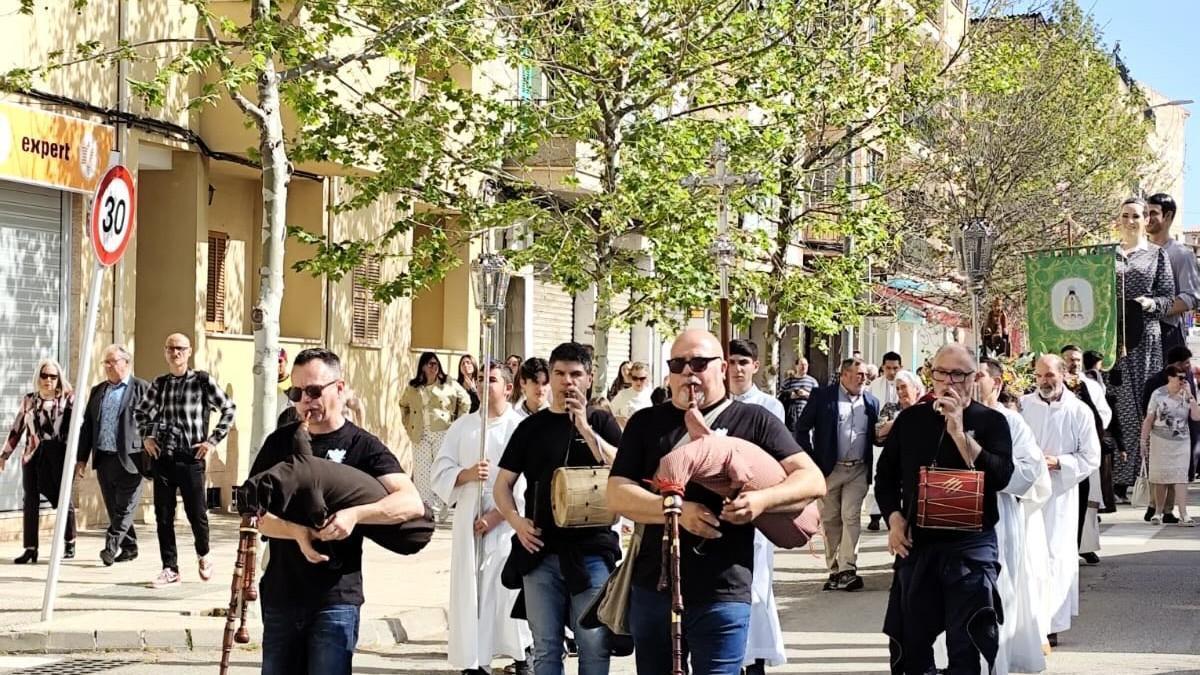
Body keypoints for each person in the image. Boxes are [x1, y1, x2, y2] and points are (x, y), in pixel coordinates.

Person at [608, 329, 825, 675]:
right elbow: (617, 492)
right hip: (654, 586)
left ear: (721, 367)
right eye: (677, 363)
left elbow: (812, 480)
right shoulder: (646, 423)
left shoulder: (754, 420)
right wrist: (676, 512)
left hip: (724, 587)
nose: (687, 372)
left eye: (698, 362)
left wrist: (762, 500)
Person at [250, 347, 425, 675]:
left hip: (336, 598)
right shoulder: (279, 442)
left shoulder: (363, 446)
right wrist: (297, 533)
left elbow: (410, 502)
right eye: (296, 392)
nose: (305, 400)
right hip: (281, 596)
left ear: (340, 388)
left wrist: (355, 515)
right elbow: (255, 516)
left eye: (314, 391)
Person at [875, 344, 1015, 674]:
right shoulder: (910, 420)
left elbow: (1001, 476)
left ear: (973, 377)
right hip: (918, 543)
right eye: (941, 373)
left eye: (959, 374)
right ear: (931, 376)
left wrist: (959, 433)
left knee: (965, 640)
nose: (949, 381)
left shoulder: (992, 422)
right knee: (912, 640)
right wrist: (894, 519)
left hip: (970, 546)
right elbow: (885, 478)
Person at [495, 342, 622, 675]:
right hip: (540, 552)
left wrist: (584, 428)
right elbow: (502, 485)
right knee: (546, 647)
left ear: (589, 378)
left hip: (593, 552)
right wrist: (516, 522)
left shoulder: (602, 422)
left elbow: (624, 471)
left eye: (576, 374)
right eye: (560, 373)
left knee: (594, 643)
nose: (568, 382)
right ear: (549, 377)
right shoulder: (530, 428)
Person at [432, 361, 532, 674]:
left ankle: (520, 654)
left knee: (504, 590)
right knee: (470, 590)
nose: (482, 384)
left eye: (491, 380)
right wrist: (466, 474)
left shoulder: (519, 428)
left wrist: (496, 516)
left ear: (508, 388)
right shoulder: (463, 426)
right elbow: (440, 470)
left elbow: (525, 483)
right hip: (467, 520)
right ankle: (473, 660)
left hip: (506, 523)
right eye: (479, 379)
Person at [133, 333, 236, 588]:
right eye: (170, 348)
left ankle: (204, 553)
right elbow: (141, 412)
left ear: (189, 352)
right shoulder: (160, 383)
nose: (175, 353)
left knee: (196, 513)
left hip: (191, 456)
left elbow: (229, 408)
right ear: (165, 352)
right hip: (164, 456)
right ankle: (170, 568)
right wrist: (147, 436)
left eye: (180, 348)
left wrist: (212, 440)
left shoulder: (201, 381)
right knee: (163, 514)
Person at [1019, 354, 1101, 647]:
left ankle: (1051, 623)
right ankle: (1026, 621)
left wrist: (1060, 462)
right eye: (1040, 376)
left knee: (1054, 556)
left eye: (1050, 375)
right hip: (1026, 494)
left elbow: (1091, 456)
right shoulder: (1024, 406)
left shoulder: (1078, 411)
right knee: (1026, 556)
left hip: (1060, 495)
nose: (1044, 381)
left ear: (1064, 374)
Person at [726, 339, 787, 675]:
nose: (737, 369)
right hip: (721, 508)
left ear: (755, 366)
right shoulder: (715, 404)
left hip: (757, 507)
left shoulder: (768, 407)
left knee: (757, 588)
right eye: (731, 362)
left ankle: (756, 660)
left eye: (743, 362)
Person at [793, 358, 879, 592]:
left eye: (865, 375)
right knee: (830, 519)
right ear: (844, 375)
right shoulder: (823, 397)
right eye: (859, 374)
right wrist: (811, 460)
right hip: (829, 468)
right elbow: (802, 428)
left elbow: (873, 435)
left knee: (851, 516)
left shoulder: (871, 401)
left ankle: (848, 568)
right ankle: (834, 569)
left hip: (858, 468)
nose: (863, 378)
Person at [1110, 197, 1175, 501]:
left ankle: (1146, 477)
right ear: (1119, 220)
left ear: (1146, 220)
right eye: (1126, 215)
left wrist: (1150, 303)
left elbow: (1167, 298)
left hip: (1146, 338)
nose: (1132, 220)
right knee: (1120, 406)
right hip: (1115, 339)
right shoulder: (1108, 256)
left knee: (1146, 407)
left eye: (1137, 215)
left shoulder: (1157, 256)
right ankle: (1121, 478)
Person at [75, 345, 150, 565]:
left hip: (132, 459)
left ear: (126, 363)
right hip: (105, 458)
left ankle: (110, 547)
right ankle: (130, 546)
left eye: (112, 362)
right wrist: (81, 459)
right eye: (105, 362)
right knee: (114, 507)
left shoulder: (142, 388)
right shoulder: (98, 391)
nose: (108, 366)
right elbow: (87, 427)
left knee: (125, 507)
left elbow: (155, 422)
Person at [1, 359, 77, 564]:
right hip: (33, 455)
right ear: (38, 377)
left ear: (59, 378)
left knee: (63, 499)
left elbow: (76, 430)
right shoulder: (29, 401)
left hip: (59, 455)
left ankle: (69, 541)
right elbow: (17, 429)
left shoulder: (68, 399)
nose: (48, 380)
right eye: (44, 376)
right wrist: (4, 455)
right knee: (30, 499)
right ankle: (30, 548)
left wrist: (78, 459)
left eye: (53, 376)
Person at [400, 351, 471, 520]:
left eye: (436, 364)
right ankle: (426, 508)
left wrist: (457, 424)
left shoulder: (448, 384)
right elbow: (403, 405)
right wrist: (409, 426)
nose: (434, 367)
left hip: (442, 432)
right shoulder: (413, 387)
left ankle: (443, 504)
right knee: (422, 471)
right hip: (420, 433)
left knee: (441, 469)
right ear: (422, 367)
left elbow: (466, 401)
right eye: (430, 364)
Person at [1061, 344, 1111, 564]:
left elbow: (1104, 413)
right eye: (1070, 359)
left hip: (1084, 452)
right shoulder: (1054, 386)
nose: (1075, 363)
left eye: (1078, 360)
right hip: (1061, 452)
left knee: (1087, 502)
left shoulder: (1090, 386)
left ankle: (1086, 545)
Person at [1141, 345, 1197, 523]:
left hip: (1181, 436)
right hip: (1159, 434)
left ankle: (1168, 510)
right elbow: (1147, 411)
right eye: (1186, 363)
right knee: (1159, 474)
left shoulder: (1188, 382)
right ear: (1178, 364)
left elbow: (1193, 413)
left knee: (1177, 475)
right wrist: (1145, 436)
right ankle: (1156, 507)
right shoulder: (1155, 383)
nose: (1189, 366)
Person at [866, 369, 924, 531]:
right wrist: (902, 420)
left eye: (904, 387)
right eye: (897, 388)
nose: (900, 392)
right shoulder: (891, 408)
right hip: (896, 469)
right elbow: (878, 434)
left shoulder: (927, 408)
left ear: (916, 388)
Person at [1145, 193, 1200, 358]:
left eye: (1153, 213)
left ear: (1168, 216)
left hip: (1168, 335)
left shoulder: (1181, 254)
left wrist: (1153, 308)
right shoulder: (1138, 252)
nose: (1147, 218)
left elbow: (1191, 297)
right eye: (1145, 213)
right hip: (1140, 335)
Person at [867, 353, 903, 530]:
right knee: (878, 472)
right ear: (882, 367)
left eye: (895, 368)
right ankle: (875, 514)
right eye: (888, 368)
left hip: (901, 437)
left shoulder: (907, 384)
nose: (892, 372)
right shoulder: (874, 386)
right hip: (880, 438)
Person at [778, 357, 817, 432]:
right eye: (801, 364)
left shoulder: (813, 382)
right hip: (791, 419)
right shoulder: (788, 381)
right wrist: (790, 395)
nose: (804, 367)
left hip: (807, 419)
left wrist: (806, 394)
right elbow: (780, 396)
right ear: (796, 366)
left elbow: (818, 399)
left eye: (806, 365)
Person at [610, 361, 653, 427]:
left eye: (642, 379)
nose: (638, 382)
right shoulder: (622, 395)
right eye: (635, 378)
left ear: (647, 378)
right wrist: (617, 419)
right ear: (630, 377)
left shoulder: (652, 395)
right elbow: (608, 413)